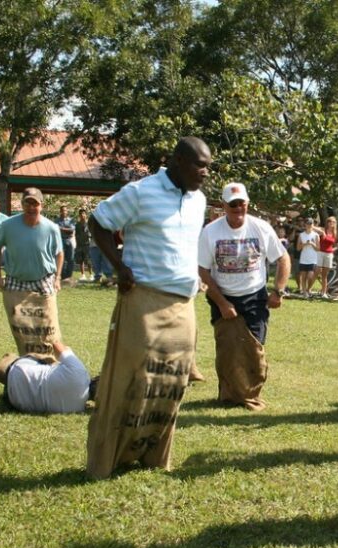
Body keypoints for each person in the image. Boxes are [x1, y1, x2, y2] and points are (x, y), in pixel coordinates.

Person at [85, 136, 211, 480]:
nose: (205, 172)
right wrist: (119, 266)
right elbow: (98, 222)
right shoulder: (141, 192)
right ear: (178, 161)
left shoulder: (199, 200)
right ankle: (106, 460)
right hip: (144, 301)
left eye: (208, 166)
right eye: (200, 165)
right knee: (129, 382)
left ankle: (152, 456)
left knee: (172, 383)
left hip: (184, 305)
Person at [198, 182, 290, 410]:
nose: (238, 208)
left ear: (247, 204)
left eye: (241, 204)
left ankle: (249, 395)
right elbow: (202, 270)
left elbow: (283, 258)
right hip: (223, 295)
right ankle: (229, 395)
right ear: (223, 206)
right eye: (232, 205)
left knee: (254, 350)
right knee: (228, 350)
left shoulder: (261, 228)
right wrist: (222, 303)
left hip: (254, 297)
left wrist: (278, 290)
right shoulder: (210, 232)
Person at [0, 187, 64, 356]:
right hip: (16, 280)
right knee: (21, 324)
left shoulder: (51, 227)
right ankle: (26, 356)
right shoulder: (8, 225)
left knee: (48, 324)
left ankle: (49, 357)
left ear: (41, 205)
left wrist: (58, 277)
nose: (31, 208)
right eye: (27, 203)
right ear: (22, 204)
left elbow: (59, 253)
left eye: (35, 204)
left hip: (43, 280)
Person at [0, 341, 92, 413]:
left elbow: (57, 345)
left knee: (49, 360)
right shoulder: (78, 408)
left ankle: (7, 364)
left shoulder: (80, 372)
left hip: (17, 371)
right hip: (13, 401)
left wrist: (68, 350)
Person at [295, 217, 320, 297]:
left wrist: (312, 244)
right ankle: (304, 292)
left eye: (310, 224)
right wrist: (304, 244)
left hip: (312, 259)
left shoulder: (316, 235)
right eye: (307, 224)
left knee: (310, 276)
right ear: (305, 225)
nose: (309, 225)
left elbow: (318, 248)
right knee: (303, 276)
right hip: (303, 258)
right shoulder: (301, 235)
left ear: (313, 225)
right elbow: (298, 248)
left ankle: (308, 289)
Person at [316, 216, 338, 298]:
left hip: (329, 254)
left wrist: (336, 249)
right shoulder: (323, 230)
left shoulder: (335, 233)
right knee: (317, 271)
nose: (331, 223)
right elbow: (312, 227)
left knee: (325, 275)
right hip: (320, 252)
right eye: (329, 221)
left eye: (333, 222)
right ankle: (308, 289)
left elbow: (333, 246)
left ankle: (323, 292)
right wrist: (322, 233)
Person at [57, 204, 76, 282]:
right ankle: (63, 276)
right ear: (60, 211)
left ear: (67, 211)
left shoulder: (71, 220)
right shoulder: (57, 220)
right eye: (62, 210)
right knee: (62, 258)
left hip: (69, 240)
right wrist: (67, 230)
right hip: (60, 240)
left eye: (65, 210)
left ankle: (69, 275)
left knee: (71, 258)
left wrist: (61, 228)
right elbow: (56, 229)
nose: (64, 212)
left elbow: (72, 230)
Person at [74, 208, 92, 280]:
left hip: (87, 244)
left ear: (86, 215)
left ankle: (91, 275)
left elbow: (91, 233)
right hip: (79, 245)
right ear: (79, 215)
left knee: (89, 261)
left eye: (83, 214)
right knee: (81, 260)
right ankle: (83, 275)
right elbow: (76, 234)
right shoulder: (77, 224)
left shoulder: (89, 224)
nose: (82, 215)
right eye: (81, 214)